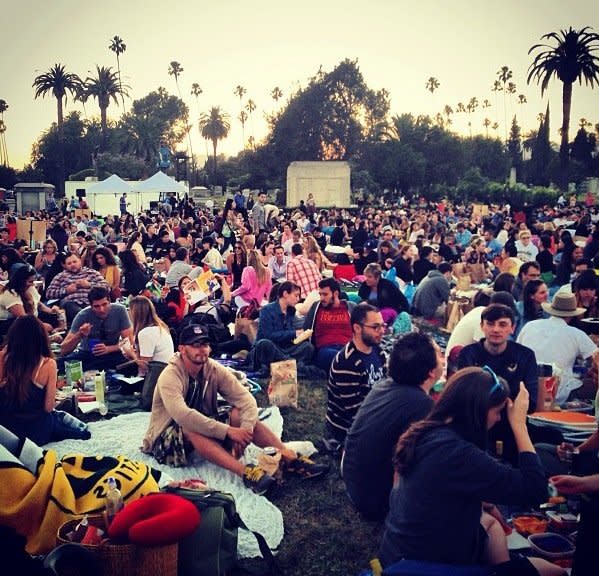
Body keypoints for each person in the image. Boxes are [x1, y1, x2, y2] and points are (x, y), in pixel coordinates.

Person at [377, 367, 563, 576]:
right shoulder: (459, 454)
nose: (499, 419)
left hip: (397, 553)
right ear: (479, 412)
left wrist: (487, 504)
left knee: (490, 522)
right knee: (553, 571)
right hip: (426, 568)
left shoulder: (427, 432)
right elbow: (535, 489)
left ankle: (499, 570)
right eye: (497, 412)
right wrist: (519, 426)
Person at [142, 323, 327, 494]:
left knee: (239, 414)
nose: (202, 350)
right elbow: (183, 416)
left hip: (203, 424)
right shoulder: (170, 375)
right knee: (190, 427)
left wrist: (245, 432)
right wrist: (228, 432)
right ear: (181, 349)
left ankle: (289, 458)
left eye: (205, 344)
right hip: (165, 439)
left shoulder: (212, 368)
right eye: (195, 345)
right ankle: (246, 474)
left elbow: (245, 399)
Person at [341, 332, 443, 521]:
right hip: (376, 502)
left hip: (354, 485)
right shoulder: (422, 405)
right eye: (439, 354)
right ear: (430, 371)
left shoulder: (386, 385)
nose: (443, 358)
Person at [458, 303, 541, 464]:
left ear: (512, 328)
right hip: (477, 426)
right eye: (490, 323)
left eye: (502, 324)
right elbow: (464, 398)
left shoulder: (525, 356)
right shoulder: (468, 354)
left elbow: (530, 402)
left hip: (513, 428)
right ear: (482, 326)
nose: (496, 329)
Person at [0, 316, 90, 445]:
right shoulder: (48, 364)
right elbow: (48, 407)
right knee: (76, 431)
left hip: (6, 431)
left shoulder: (3, 357)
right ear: (41, 337)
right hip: (36, 432)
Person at [518, 292, 597, 405]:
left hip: (527, 387)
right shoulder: (576, 334)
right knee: (590, 386)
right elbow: (596, 358)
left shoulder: (530, 326)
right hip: (559, 391)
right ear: (572, 314)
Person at [326, 303, 386, 446]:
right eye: (376, 327)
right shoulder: (347, 362)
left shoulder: (378, 351)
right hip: (348, 427)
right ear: (357, 328)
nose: (382, 331)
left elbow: (387, 387)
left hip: (374, 413)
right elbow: (355, 412)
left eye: (383, 326)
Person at [246, 282, 315, 375]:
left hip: (283, 348)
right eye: (296, 296)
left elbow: (288, 336)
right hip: (270, 346)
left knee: (308, 347)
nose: (298, 299)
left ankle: (288, 363)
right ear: (285, 294)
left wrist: (300, 337)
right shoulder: (266, 310)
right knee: (264, 344)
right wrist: (293, 333)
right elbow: (268, 335)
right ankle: (293, 364)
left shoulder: (291, 311)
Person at [59, 286, 133, 372]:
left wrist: (108, 349)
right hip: (87, 354)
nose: (102, 309)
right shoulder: (83, 315)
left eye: (104, 304)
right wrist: (79, 335)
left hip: (112, 353)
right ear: (91, 306)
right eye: (97, 306)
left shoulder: (120, 310)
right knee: (59, 364)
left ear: (109, 301)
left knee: (129, 365)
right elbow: (63, 350)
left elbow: (129, 342)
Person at [125, 296, 174, 410]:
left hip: (158, 372)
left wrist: (130, 352)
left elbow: (145, 365)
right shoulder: (160, 327)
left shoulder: (146, 332)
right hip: (166, 370)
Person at [303, 278, 355, 371]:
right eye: (320, 294)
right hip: (325, 349)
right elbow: (306, 328)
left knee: (350, 355)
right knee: (332, 355)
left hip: (347, 347)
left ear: (335, 294)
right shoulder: (316, 307)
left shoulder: (350, 307)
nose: (322, 298)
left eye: (325, 294)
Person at [46, 253, 109, 323]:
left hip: (90, 303)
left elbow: (107, 288)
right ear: (65, 266)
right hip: (71, 304)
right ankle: (89, 321)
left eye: (74, 262)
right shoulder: (61, 276)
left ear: (80, 261)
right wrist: (66, 290)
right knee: (70, 306)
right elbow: (48, 293)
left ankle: (89, 322)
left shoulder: (92, 273)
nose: (72, 265)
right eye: (69, 263)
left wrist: (90, 285)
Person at [0, 264, 60, 337]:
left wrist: (51, 311)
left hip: (30, 318)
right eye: (30, 282)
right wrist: (41, 325)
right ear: (21, 281)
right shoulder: (10, 293)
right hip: (9, 323)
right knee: (25, 325)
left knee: (53, 317)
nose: (32, 284)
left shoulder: (30, 287)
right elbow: (23, 317)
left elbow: (38, 304)